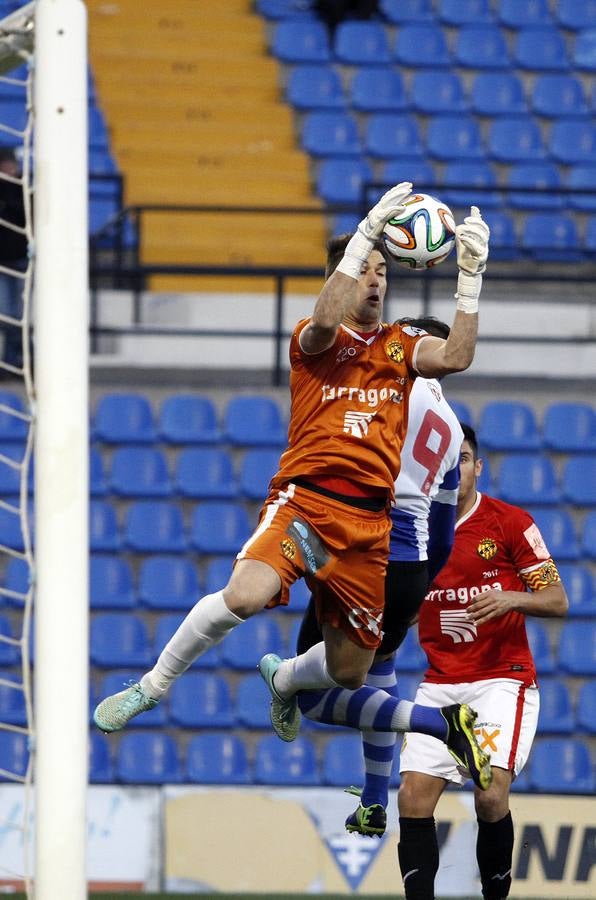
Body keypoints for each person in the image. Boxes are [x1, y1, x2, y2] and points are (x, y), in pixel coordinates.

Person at [94, 181, 491, 786]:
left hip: (367, 529)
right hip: (306, 504)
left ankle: (282, 678)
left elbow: (458, 357)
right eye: (366, 271)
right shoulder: (314, 341)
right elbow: (326, 319)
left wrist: (470, 277)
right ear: (343, 275)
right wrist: (361, 236)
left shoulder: (401, 345)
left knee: (351, 673)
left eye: (385, 271)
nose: (377, 281)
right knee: (245, 597)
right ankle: (151, 687)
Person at [294, 314, 464, 835]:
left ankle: (438, 723)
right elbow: (444, 534)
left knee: (310, 693)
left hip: (363, 550)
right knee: (381, 663)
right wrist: (414, 597)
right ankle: (373, 799)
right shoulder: (453, 432)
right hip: (410, 565)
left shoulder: (386, 391)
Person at [396, 423, 568, 900]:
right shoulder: (411, 529)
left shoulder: (511, 523)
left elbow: (557, 600)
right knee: (411, 797)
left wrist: (510, 598)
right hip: (439, 683)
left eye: (465, 458)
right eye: (449, 459)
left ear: (477, 467)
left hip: (501, 679)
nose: (457, 467)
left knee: (489, 792)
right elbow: (404, 609)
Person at [0, 147, 27, 371]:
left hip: (18, 260)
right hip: (2, 262)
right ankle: (10, 361)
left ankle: (12, 361)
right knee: (6, 314)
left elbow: (25, 216)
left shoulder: (23, 189)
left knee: (16, 315)